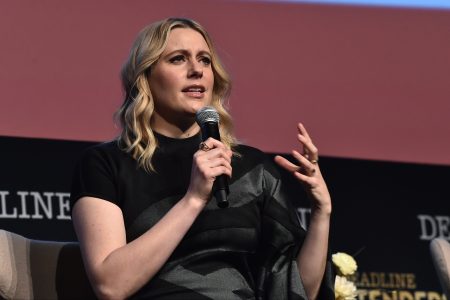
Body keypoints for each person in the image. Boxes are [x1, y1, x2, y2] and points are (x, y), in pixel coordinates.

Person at [70, 17, 334, 300]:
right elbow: (111, 285)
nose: (196, 70)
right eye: (178, 59)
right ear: (145, 76)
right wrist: (193, 199)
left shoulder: (252, 170)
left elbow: (296, 290)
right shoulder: (105, 163)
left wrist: (321, 213)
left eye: (205, 60)